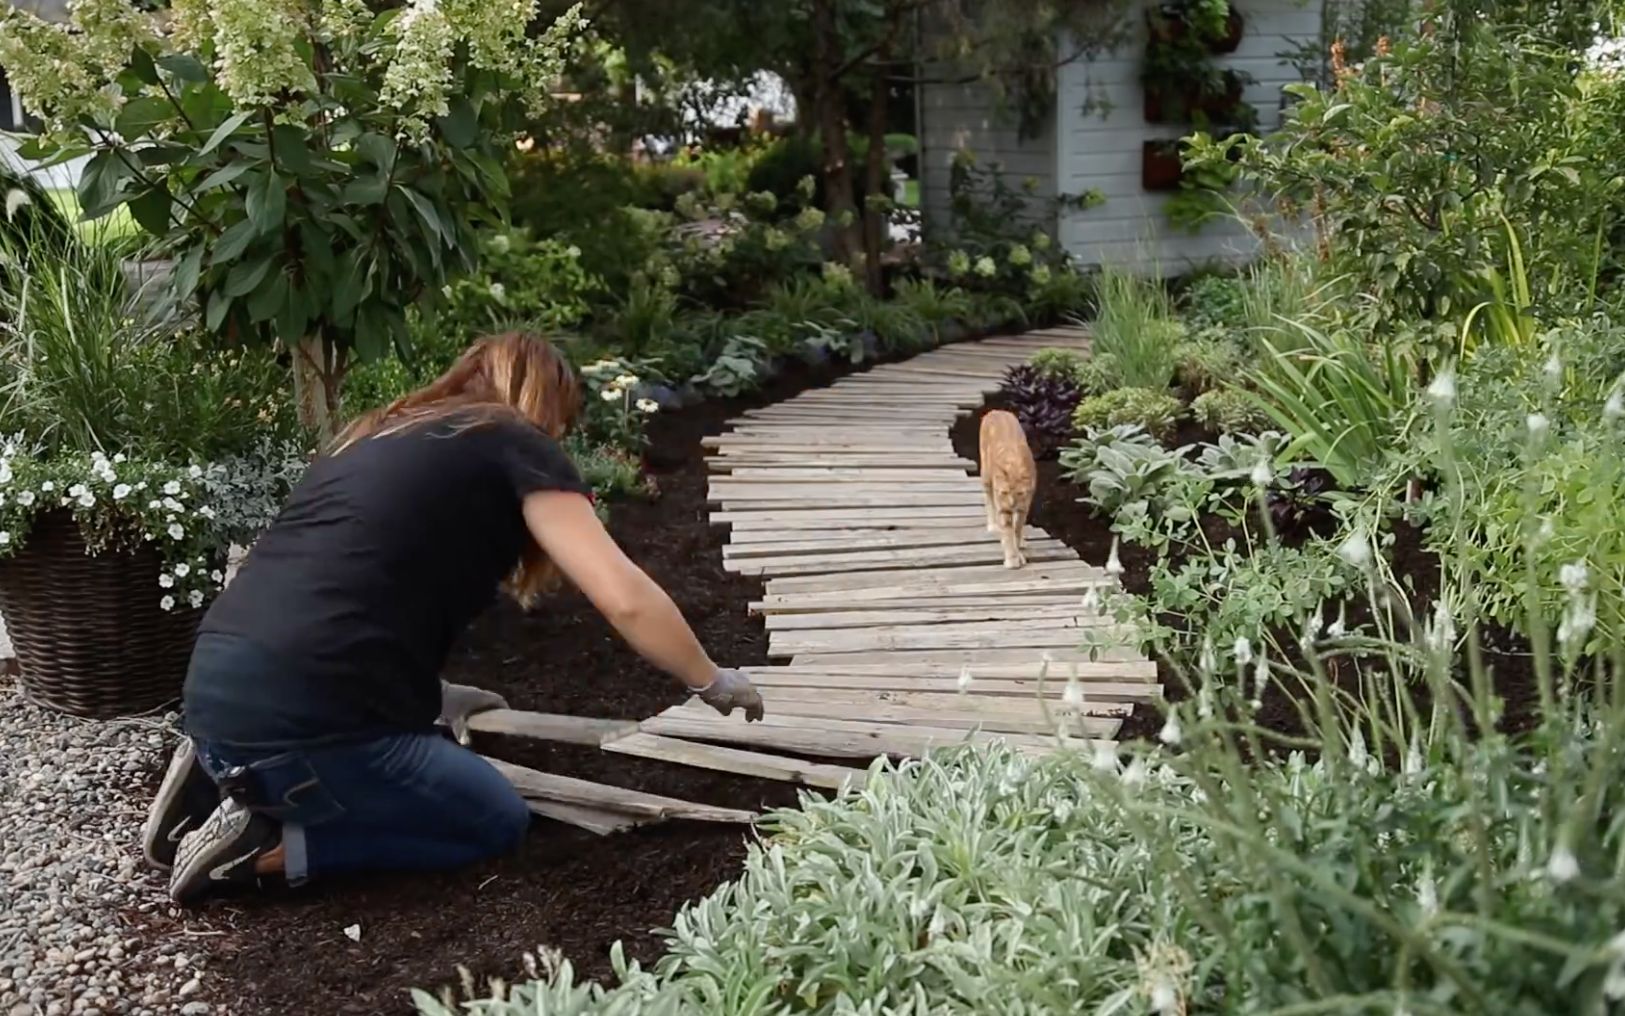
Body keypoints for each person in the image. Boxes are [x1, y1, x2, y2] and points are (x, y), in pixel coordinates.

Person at [141, 332, 764, 906]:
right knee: (490, 818)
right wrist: (708, 678)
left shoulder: (379, 437)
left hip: (215, 691)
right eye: (563, 423)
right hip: (303, 723)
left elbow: (343, 596)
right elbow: (621, 594)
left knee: (409, 753)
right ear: (542, 403)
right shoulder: (515, 442)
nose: (561, 439)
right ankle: (264, 844)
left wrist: (432, 697)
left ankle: (220, 774)